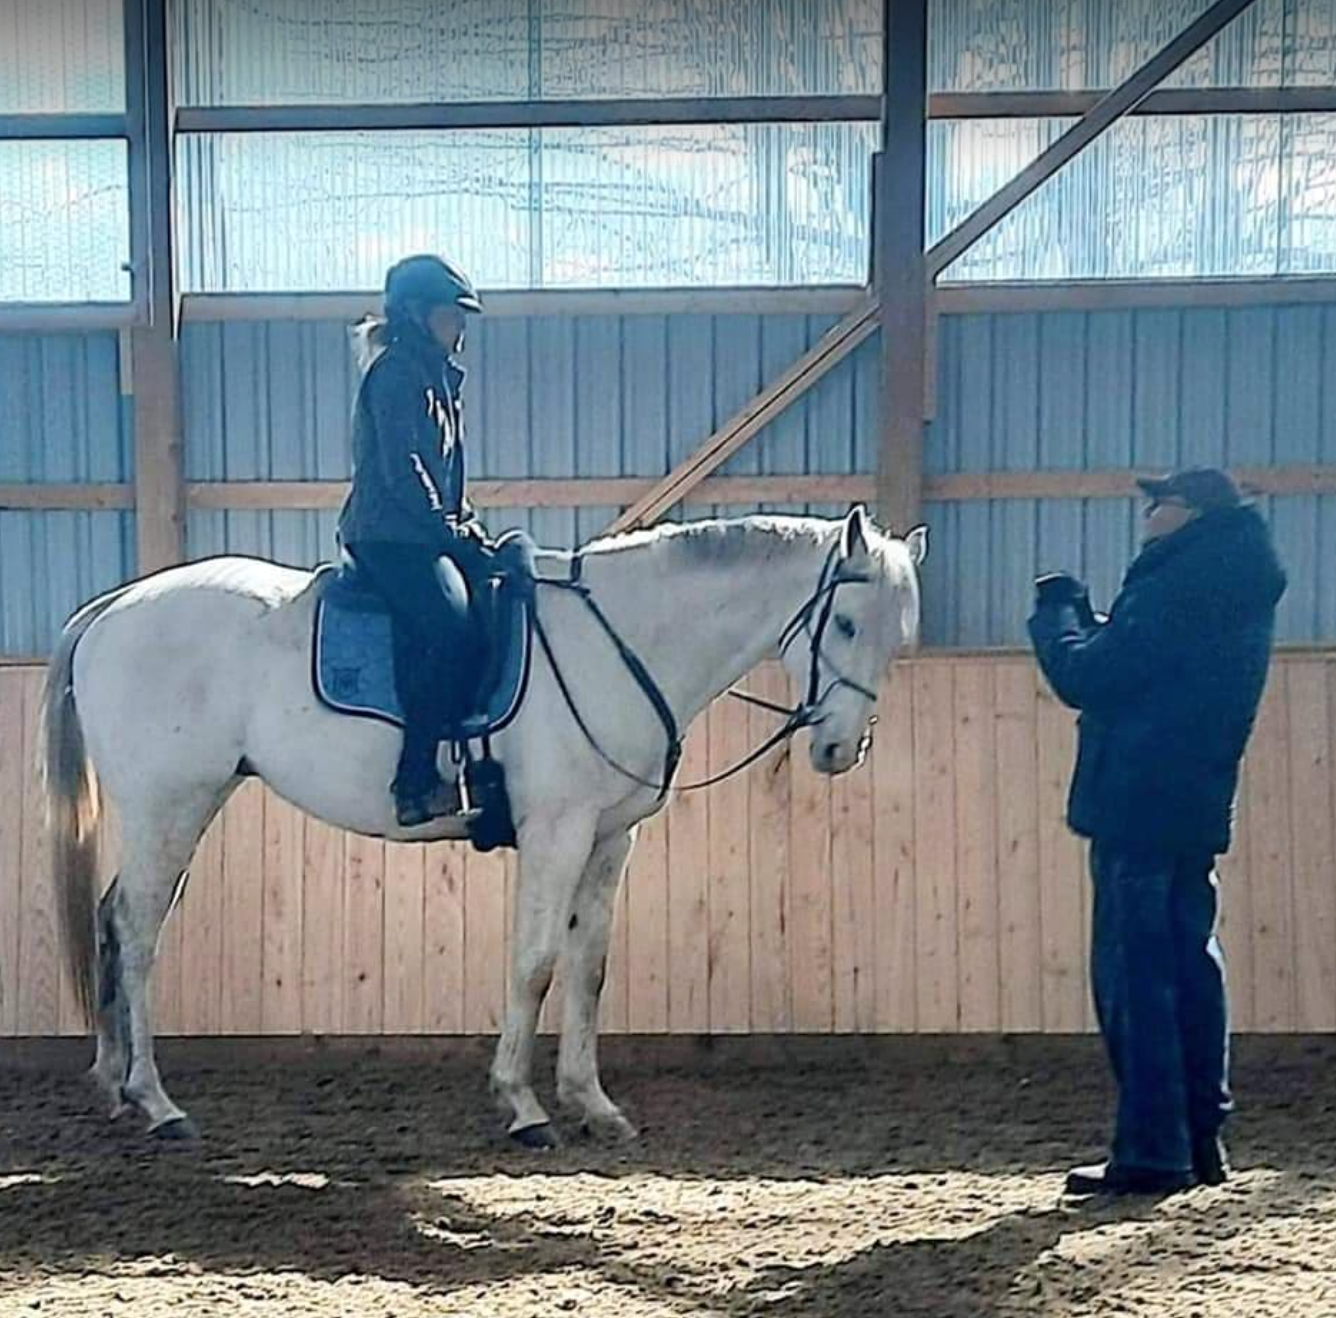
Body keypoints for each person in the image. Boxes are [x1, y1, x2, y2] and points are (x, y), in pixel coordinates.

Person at [1028, 466, 1286, 1196]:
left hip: (1135, 801)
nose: (1147, 518)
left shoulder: (1176, 584)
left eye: (1158, 505)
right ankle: (1199, 1141)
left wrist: (1058, 612)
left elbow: (1087, 677)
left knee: (1134, 979)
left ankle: (1150, 1151)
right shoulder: (1233, 583)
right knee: (1191, 972)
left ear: (1191, 512)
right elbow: (1141, 667)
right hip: (1192, 803)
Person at [337, 254, 491, 828]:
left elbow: (449, 479)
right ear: (416, 315)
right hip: (390, 537)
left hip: (422, 532)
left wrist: (469, 529)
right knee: (450, 627)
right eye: (452, 313)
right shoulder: (398, 375)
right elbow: (404, 469)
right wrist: (447, 531)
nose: (461, 324)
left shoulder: (439, 379)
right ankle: (416, 783)